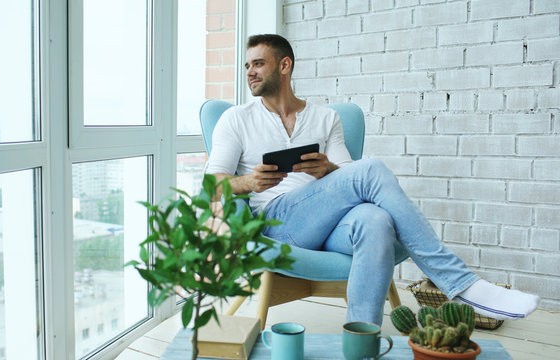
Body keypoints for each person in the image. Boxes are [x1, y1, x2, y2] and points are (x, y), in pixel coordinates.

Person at [204, 34, 540, 325]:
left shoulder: (326, 118)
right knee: (372, 168)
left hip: (331, 224)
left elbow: (351, 178)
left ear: (285, 65)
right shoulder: (237, 118)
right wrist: (249, 183)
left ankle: (361, 340)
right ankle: (462, 283)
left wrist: (328, 171)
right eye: (247, 65)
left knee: (376, 219)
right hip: (279, 224)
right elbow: (210, 187)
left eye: (258, 63)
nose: (250, 72)